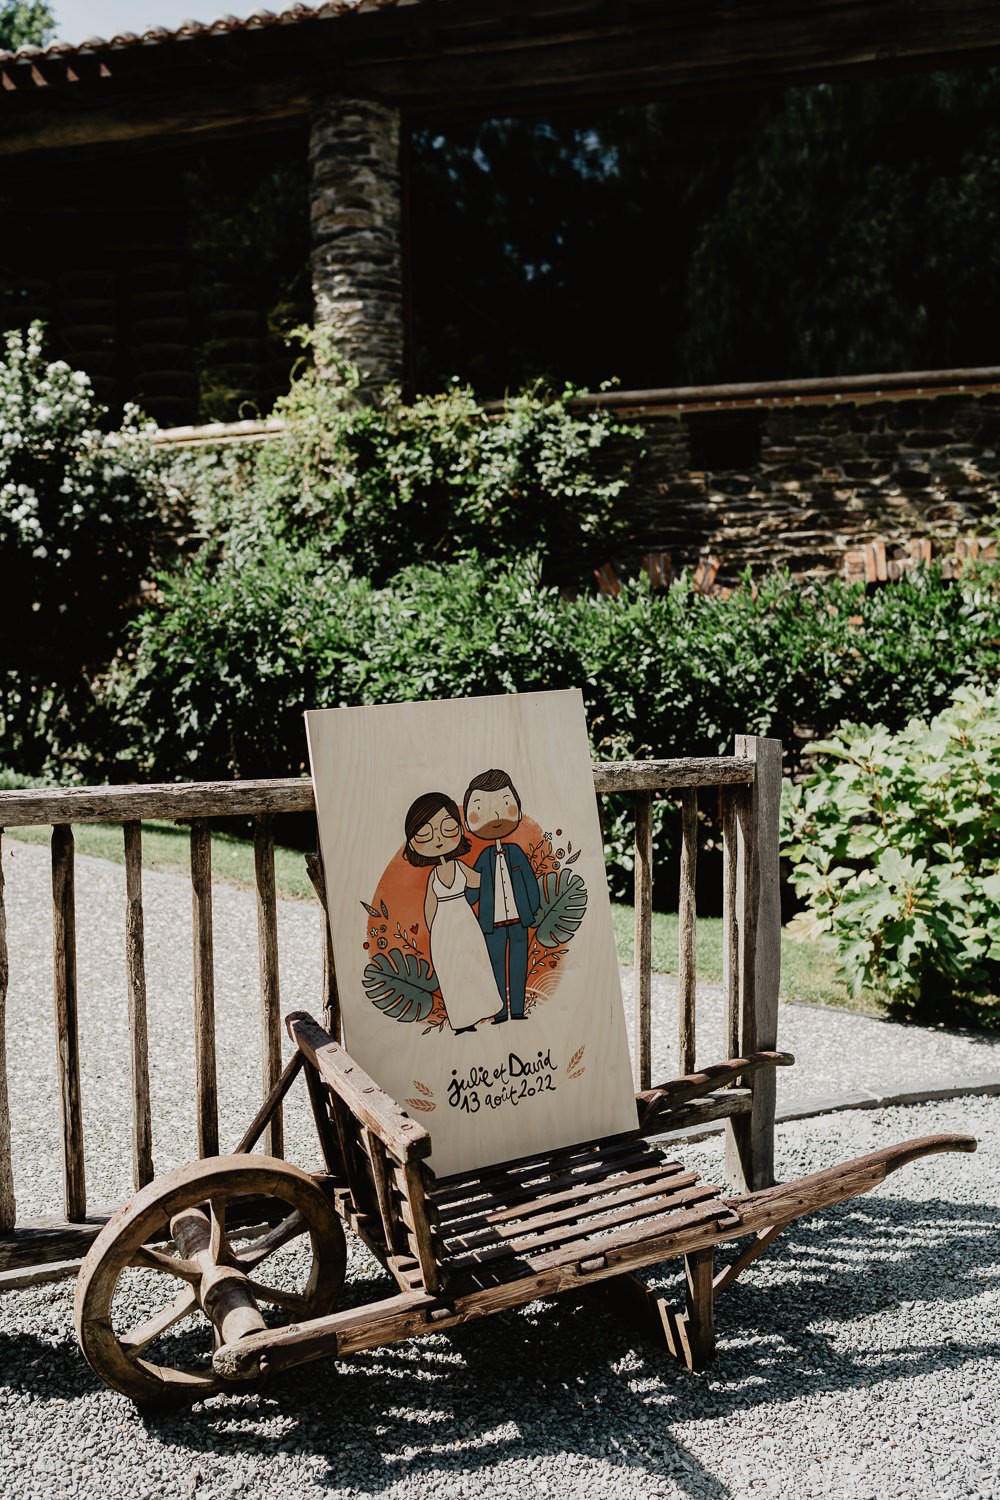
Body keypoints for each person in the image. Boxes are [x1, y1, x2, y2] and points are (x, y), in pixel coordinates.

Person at [402, 792, 497, 1034]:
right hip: (444, 929)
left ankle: (485, 1009)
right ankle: (462, 1020)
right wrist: (435, 932)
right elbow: (429, 905)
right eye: (424, 833)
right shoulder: (433, 876)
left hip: (465, 922)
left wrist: (496, 871)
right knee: (452, 973)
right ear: (413, 841)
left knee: (473, 964)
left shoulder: (458, 866)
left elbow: (478, 881)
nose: (438, 839)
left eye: (448, 828)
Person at [462, 770, 540, 1023]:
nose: (495, 816)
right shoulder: (483, 858)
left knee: (519, 965)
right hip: (491, 924)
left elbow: (530, 881)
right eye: (481, 808)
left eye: (504, 805)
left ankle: (516, 1010)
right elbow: (473, 888)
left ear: (517, 809)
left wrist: (534, 908)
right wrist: (462, 900)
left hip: (519, 921)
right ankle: (498, 1011)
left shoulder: (516, 852)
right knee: (494, 966)